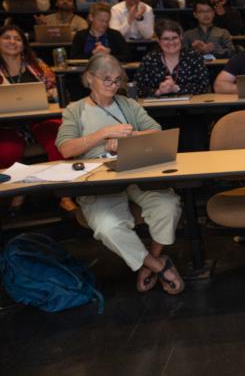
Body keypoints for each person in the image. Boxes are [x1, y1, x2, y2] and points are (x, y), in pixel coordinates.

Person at [56, 53, 185, 294]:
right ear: (89, 78)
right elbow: (66, 148)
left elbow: (156, 133)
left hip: (134, 170)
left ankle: (148, 263)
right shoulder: (74, 110)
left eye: (117, 81)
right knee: (107, 227)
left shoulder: (128, 104)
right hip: (98, 181)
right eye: (107, 80)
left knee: (168, 205)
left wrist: (127, 138)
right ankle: (158, 265)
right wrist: (103, 134)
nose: (114, 86)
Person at [0, 24, 66, 215]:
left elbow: (54, 90)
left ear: (24, 44)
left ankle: (65, 196)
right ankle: (18, 192)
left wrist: (49, 93)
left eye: (17, 39)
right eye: (7, 37)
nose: (12, 42)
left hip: (39, 119)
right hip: (6, 125)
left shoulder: (36, 65)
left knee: (58, 140)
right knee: (6, 152)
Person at [135, 19, 208, 98]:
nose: (171, 42)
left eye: (175, 38)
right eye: (166, 39)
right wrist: (158, 91)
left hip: (189, 107)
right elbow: (137, 89)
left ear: (180, 38)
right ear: (159, 41)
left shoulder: (194, 57)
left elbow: (204, 86)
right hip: (157, 108)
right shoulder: (149, 59)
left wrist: (176, 88)